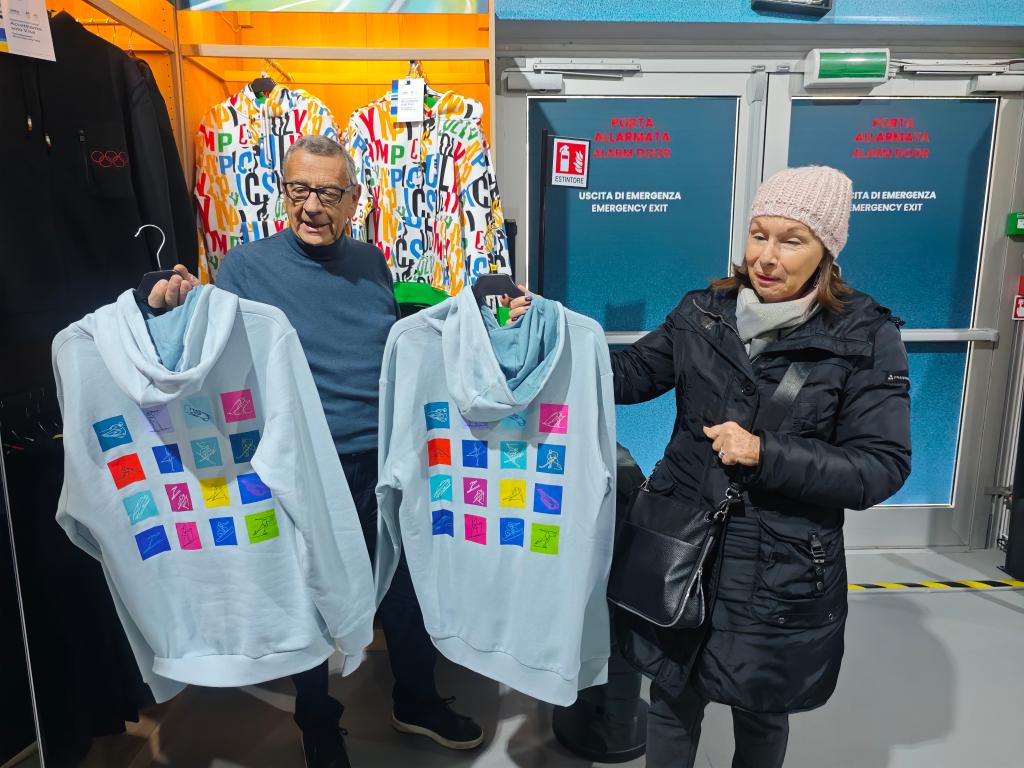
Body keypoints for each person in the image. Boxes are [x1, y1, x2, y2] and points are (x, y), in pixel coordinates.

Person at [510, 165, 911, 767]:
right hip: (680, 544)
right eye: (758, 234)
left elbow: (879, 466)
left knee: (761, 712)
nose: (766, 257)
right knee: (670, 701)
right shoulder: (704, 311)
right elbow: (629, 375)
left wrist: (766, 453)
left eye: (791, 240)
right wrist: (549, 332)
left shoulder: (865, 336)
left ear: (827, 251)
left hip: (777, 566)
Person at [147, 134, 482, 768]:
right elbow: (206, 353)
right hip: (302, 464)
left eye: (328, 193)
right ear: (283, 192)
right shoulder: (245, 268)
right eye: (299, 189)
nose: (311, 207)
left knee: (406, 583)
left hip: (384, 456)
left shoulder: (372, 263)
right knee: (308, 593)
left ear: (354, 199)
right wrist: (171, 310)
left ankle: (415, 699)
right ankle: (317, 719)